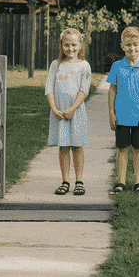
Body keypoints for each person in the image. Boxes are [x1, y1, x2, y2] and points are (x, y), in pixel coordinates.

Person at [107, 26, 139, 195]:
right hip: (121, 116)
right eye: (128, 45)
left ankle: (138, 182)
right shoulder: (116, 66)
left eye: (136, 44)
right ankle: (121, 182)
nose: (132, 48)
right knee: (122, 149)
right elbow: (112, 90)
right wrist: (111, 113)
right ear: (122, 47)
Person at [45, 28, 92, 196]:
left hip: (76, 112)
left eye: (74, 45)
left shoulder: (84, 66)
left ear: (80, 46)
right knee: (63, 146)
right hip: (59, 113)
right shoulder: (55, 65)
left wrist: (72, 109)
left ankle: (79, 181)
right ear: (61, 45)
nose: (70, 48)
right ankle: (65, 181)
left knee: (77, 146)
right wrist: (54, 108)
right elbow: (49, 87)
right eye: (66, 45)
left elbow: (84, 90)